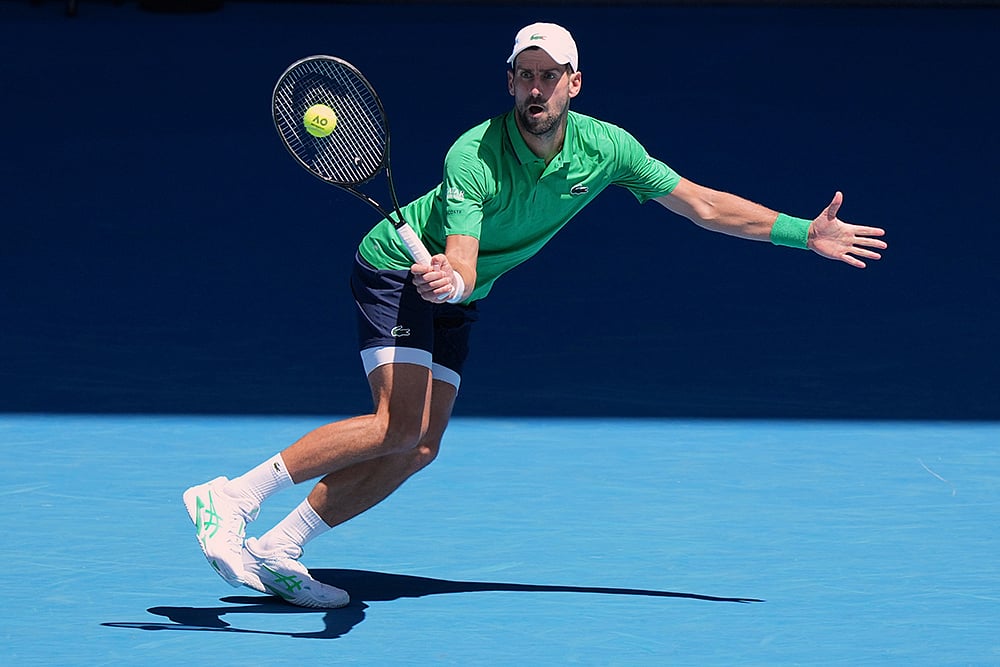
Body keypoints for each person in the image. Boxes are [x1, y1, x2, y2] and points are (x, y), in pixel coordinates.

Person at [183, 22, 887, 608]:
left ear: (574, 84)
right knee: (392, 423)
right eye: (524, 75)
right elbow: (460, 254)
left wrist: (804, 232)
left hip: (463, 292)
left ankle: (280, 547)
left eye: (549, 75)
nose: (535, 88)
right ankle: (233, 497)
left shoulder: (607, 148)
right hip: (398, 270)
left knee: (421, 445)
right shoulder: (475, 155)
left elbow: (701, 204)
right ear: (510, 81)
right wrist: (450, 279)